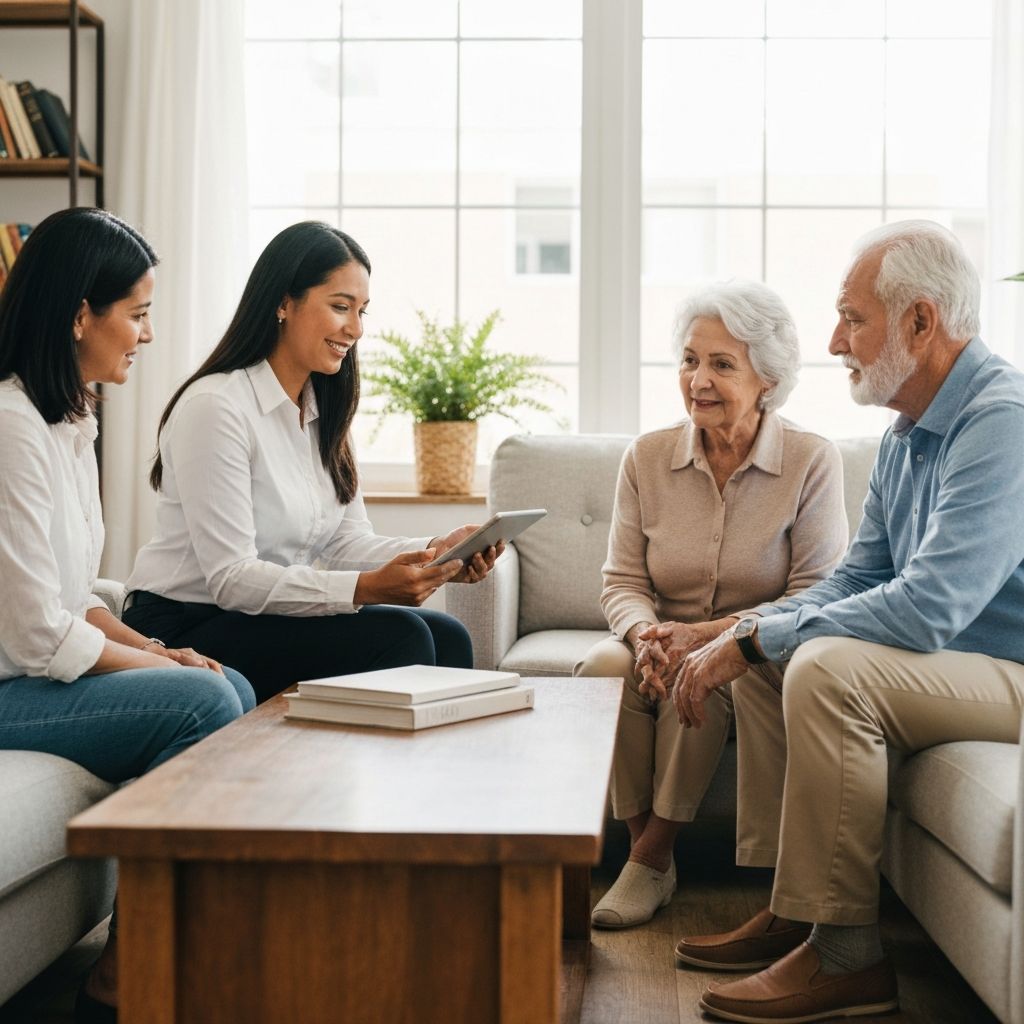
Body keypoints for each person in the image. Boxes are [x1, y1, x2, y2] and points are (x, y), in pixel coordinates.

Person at [672, 220, 1024, 1024]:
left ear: (920, 322)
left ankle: (846, 957)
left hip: (1012, 670)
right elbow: (859, 577)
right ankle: (797, 917)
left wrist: (760, 634)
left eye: (851, 317)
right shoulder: (907, 434)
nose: (834, 340)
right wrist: (741, 633)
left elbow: (932, 605)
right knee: (781, 653)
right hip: (958, 666)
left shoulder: (1002, 420)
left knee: (826, 665)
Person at [0, 207, 256, 1024]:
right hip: (10, 685)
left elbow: (76, 596)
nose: (147, 334)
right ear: (82, 315)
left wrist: (158, 647)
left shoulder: (69, 420)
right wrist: (162, 669)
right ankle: (130, 970)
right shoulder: (10, 429)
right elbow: (35, 631)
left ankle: (184, 941)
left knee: (229, 685)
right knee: (209, 702)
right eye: (137, 313)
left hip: (35, 670)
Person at [123, 221, 500, 703]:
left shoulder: (323, 410)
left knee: (449, 636)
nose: (356, 329)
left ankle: (428, 777)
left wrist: (436, 550)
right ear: (283, 302)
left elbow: (345, 540)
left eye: (362, 311)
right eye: (340, 307)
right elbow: (232, 580)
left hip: (260, 617)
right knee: (403, 636)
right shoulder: (216, 406)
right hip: (185, 621)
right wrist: (366, 589)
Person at [575, 280, 847, 929]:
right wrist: (645, 638)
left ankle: (650, 857)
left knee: (714, 677)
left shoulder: (812, 460)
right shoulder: (646, 457)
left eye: (722, 364)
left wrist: (707, 637)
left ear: (769, 380)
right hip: (656, 637)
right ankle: (650, 856)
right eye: (691, 360)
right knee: (600, 670)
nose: (698, 379)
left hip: (749, 646)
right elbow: (621, 580)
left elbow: (814, 591)